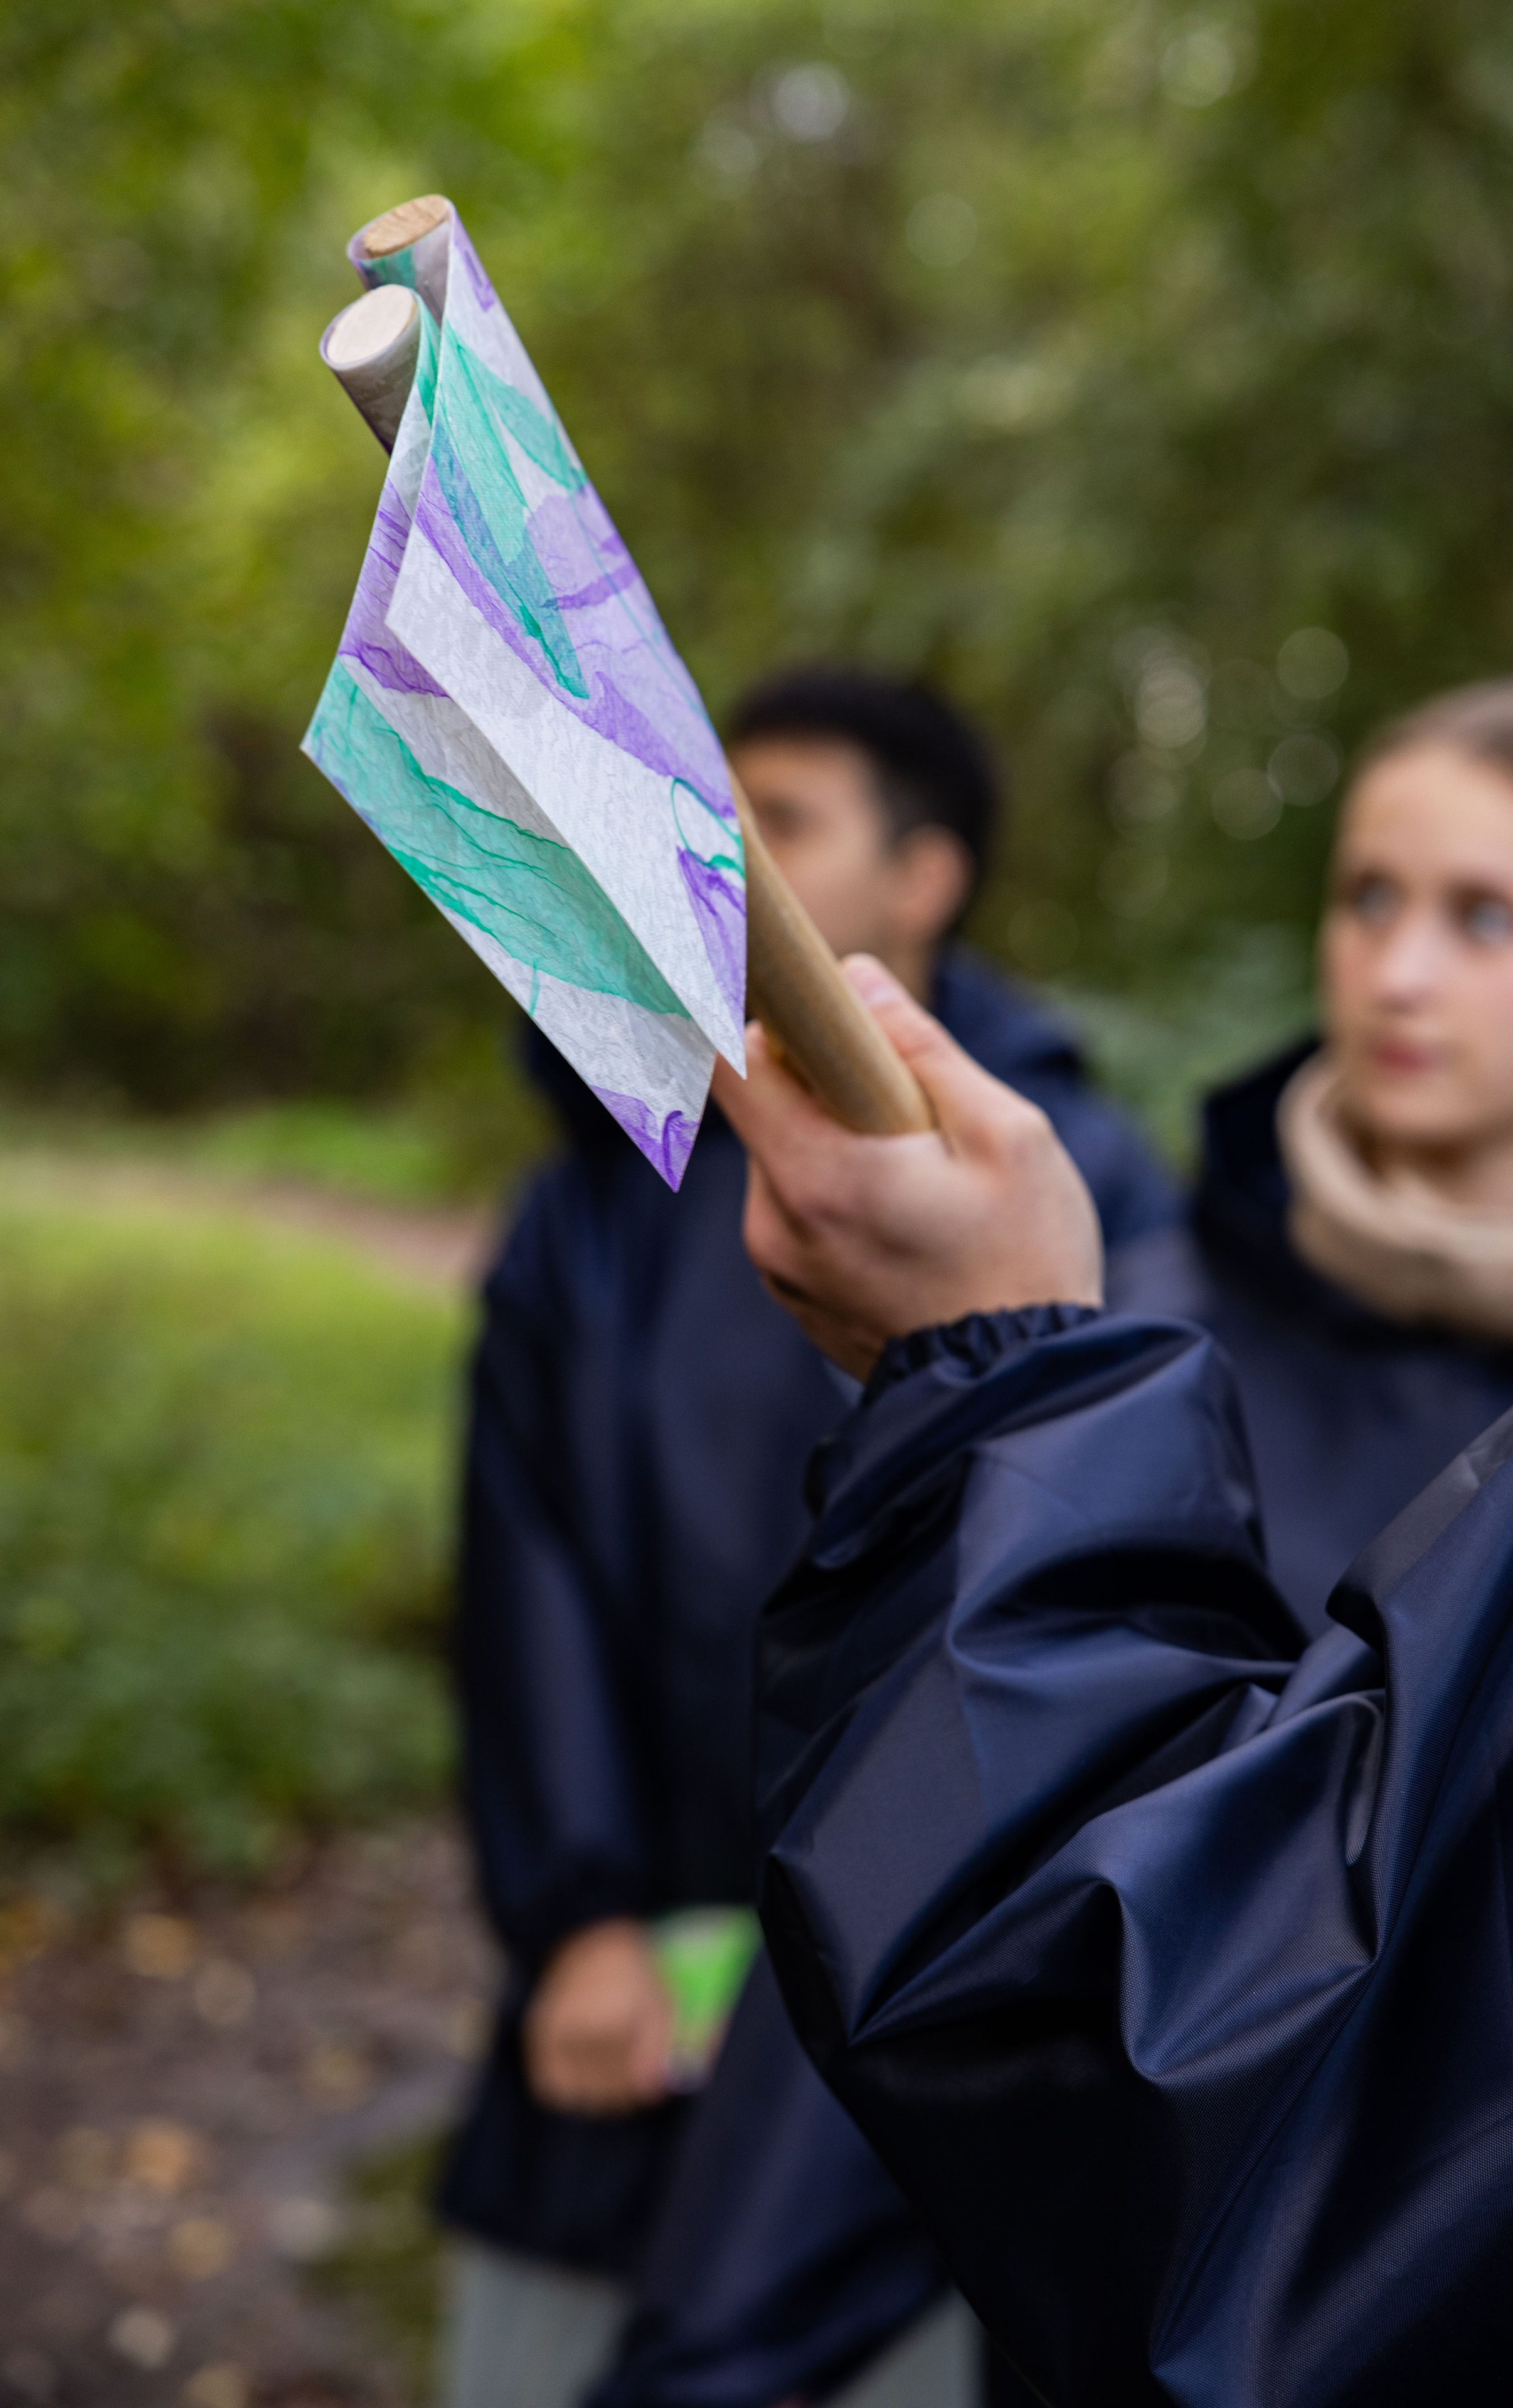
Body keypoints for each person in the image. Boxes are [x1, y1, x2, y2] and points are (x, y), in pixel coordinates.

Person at [715, 673, 1513, 2403]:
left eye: (1486, 917)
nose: (1401, 971)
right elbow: (939, 1928)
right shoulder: (1129, 1332)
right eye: (1370, 899)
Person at [436, 666, 1177, 2408]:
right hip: (638, 1990)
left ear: (925, 881)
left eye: (779, 819)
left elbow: (1114, 1592)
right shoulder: (600, 1198)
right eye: (715, 801)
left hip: (941, 2021)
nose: (717, 845)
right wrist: (581, 1915)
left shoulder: (1085, 1188)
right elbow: (523, 1564)